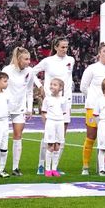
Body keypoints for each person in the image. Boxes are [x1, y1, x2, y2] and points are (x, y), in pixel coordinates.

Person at [33, 37, 75, 175]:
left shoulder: (71, 60)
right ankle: (41, 164)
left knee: (61, 136)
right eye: (62, 47)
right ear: (56, 47)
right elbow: (31, 72)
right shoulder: (48, 61)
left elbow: (68, 80)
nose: (65, 49)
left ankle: (54, 167)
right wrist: (40, 86)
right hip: (50, 102)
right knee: (48, 135)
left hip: (65, 101)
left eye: (66, 47)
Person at [79, 43, 105, 176]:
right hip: (93, 107)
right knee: (91, 136)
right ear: (99, 53)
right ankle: (85, 166)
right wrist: (93, 99)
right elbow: (83, 87)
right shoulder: (92, 68)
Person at [0, 48, 28, 177]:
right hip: (6, 107)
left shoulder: (29, 72)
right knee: (0, 137)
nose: (28, 62)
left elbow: (29, 90)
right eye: (26, 59)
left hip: (20, 108)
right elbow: (0, 87)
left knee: (18, 136)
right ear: (18, 59)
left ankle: (15, 167)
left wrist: (29, 107)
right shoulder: (7, 70)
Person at [41, 78, 70, 177]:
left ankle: (54, 169)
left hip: (60, 123)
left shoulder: (63, 99)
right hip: (51, 123)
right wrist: (47, 122)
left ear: (60, 88)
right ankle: (48, 169)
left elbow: (63, 112)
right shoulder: (47, 99)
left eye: (55, 85)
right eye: (51, 84)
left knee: (57, 146)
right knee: (50, 145)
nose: (52, 86)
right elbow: (44, 112)